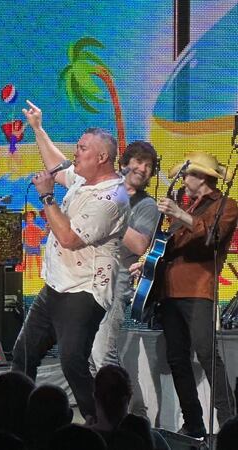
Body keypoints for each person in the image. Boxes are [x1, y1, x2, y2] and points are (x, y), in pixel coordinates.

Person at [11, 100, 129, 419]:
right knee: (23, 353)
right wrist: (37, 128)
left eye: (82, 148)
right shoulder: (83, 179)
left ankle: (100, 423)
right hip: (57, 286)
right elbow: (58, 165)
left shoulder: (111, 198)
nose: (76, 152)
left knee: (73, 363)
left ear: (102, 157)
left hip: (84, 291)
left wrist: (47, 197)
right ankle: (16, 418)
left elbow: (69, 237)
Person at [146, 152, 237, 438]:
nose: (183, 181)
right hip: (170, 292)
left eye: (187, 175)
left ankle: (229, 424)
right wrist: (148, 262)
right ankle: (194, 423)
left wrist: (180, 214)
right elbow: (170, 248)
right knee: (177, 358)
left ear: (203, 178)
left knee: (207, 354)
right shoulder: (190, 207)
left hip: (198, 289)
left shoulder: (227, 206)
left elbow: (212, 237)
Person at [90, 141, 160, 371]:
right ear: (124, 163)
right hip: (88, 275)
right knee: (87, 354)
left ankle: (118, 405)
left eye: (149, 166)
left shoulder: (147, 205)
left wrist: (116, 211)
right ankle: (96, 406)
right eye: (139, 161)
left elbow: (140, 245)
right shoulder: (103, 189)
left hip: (116, 279)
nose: (143, 168)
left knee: (103, 353)